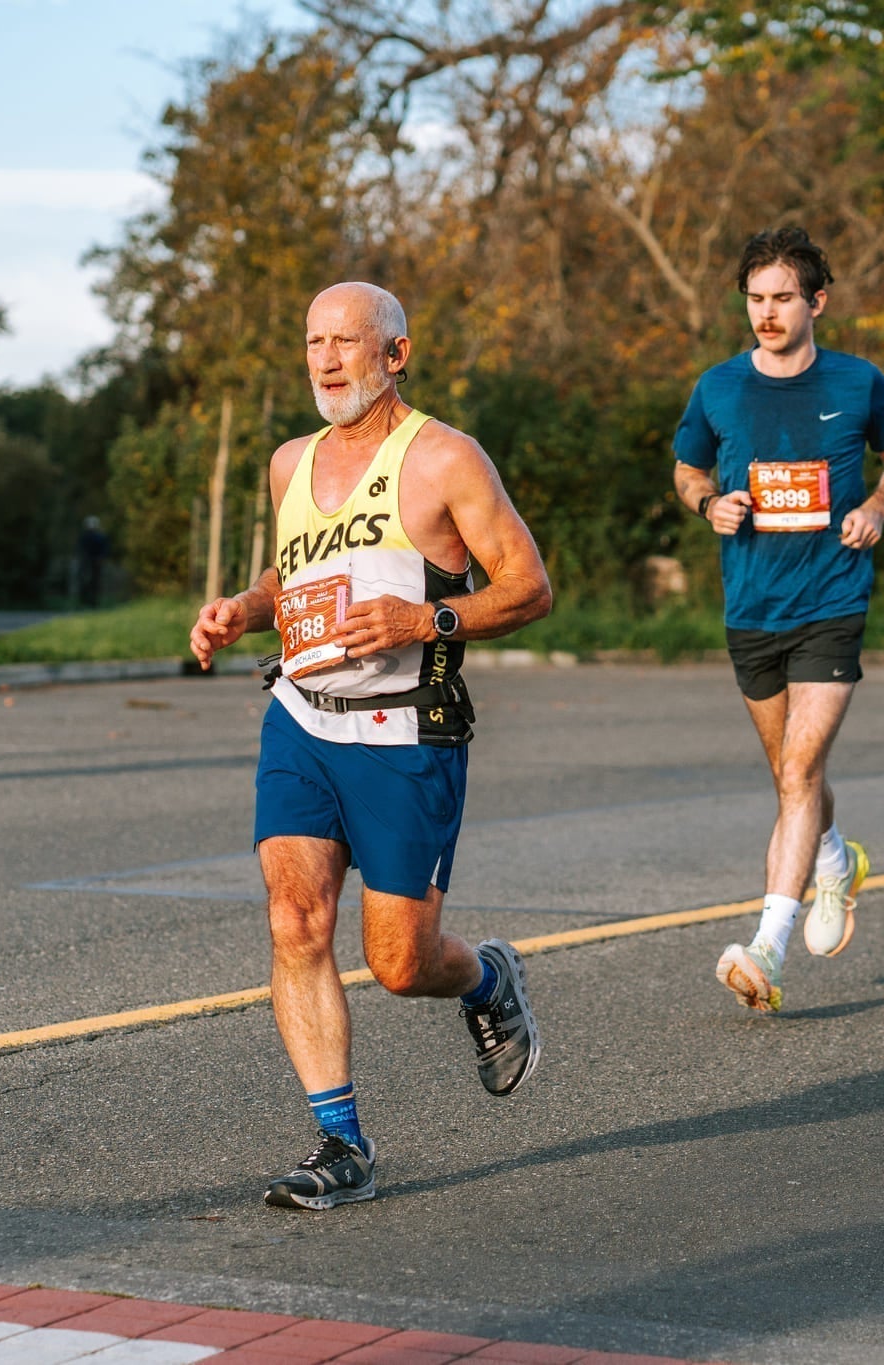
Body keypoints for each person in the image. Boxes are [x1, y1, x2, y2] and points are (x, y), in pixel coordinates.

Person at [190, 281, 553, 1210]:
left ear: (395, 354)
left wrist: (422, 616)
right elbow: (297, 570)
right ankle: (340, 1142)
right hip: (303, 719)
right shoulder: (287, 463)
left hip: (408, 732)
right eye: (313, 341)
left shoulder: (443, 459)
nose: (324, 359)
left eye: (346, 342)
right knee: (295, 920)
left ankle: (485, 978)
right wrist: (246, 608)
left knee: (400, 963)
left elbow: (527, 588)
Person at [673, 227, 884, 1011]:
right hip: (751, 605)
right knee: (792, 773)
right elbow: (687, 469)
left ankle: (767, 948)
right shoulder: (718, 387)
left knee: (797, 773)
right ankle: (835, 859)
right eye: (755, 298)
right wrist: (710, 503)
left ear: (817, 301)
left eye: (783, 297)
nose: (767, 312)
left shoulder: (857, 383)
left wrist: (879, 506)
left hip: (832, 601)